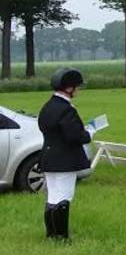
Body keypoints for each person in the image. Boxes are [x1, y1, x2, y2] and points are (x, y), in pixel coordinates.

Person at [38, 67, 92, 241]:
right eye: (77, 87)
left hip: (48, 157)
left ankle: (51, 234)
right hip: (65, 160)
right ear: (69, 88)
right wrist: (88, 134)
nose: (78, 90)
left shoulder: (47, 106)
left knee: (53, 197)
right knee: (64, 198)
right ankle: (61, 236)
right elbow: (74, 136)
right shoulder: (66, 109)